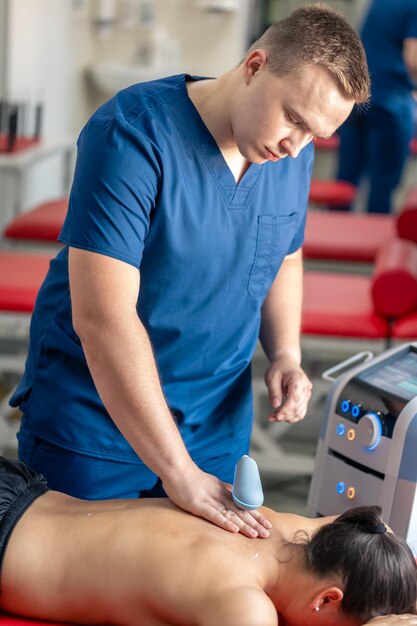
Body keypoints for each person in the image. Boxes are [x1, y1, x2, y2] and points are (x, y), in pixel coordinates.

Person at [10, 3, 370, 536]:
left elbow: (285, 252)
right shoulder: (132, 134)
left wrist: (287, 355)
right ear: (254, 66)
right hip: (97, 428)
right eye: (294, 118)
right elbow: (103, 318)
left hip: (213, 428)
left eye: (314, 134)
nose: (297, 145)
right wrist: (178, 472)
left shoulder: (288, 154)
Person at [0, 457, 416, 626]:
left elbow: (381, 533)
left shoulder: (292, 527)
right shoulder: (246, 610)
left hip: (20, 489)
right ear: (326, 599)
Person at [336, 0, 417, 214]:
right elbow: (413, 58)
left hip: (358, 96)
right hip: (391, 101)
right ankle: (374, 241)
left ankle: (336, 236)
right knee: (383, 183)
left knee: (346, 178)